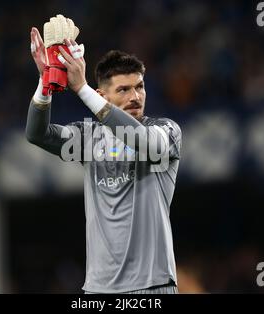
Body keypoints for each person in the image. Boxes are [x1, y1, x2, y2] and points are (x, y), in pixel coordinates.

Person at [26, 27, 182, 294]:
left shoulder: (166, 131)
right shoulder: (89, 139)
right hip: (98, 291)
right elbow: (37, 134)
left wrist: (82, 89)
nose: (135, 97)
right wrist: (45, 83)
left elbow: (142, 141)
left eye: (139, 87)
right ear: (102, 96)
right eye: (123, 90)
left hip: (152, 286)